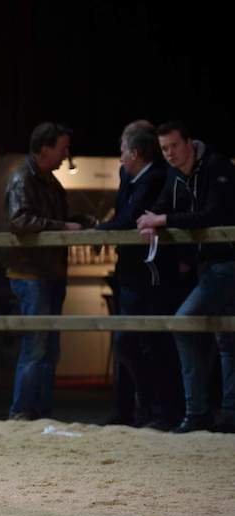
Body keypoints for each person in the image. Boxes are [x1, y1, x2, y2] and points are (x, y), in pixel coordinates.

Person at [137, 121, 235, 433]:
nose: (170, 153)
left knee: (183, 323)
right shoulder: (175, 174)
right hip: (208, 265)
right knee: (227, 338)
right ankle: (226, 413)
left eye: (174, 146)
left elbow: (214, 214)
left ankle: (197, 411)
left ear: (189, 142)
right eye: (164, 149)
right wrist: (150, 219)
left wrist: (162, 219)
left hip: (227, 262)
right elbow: (161, 205)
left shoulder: (218, 167)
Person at [97, 123, 186, 430]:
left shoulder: (157, 177)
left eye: (123, 150)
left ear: (135, 153)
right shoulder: (130, 176)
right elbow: (123, 215)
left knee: (149, 341)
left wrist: (96, 231)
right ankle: (132, 410)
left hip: (151, 275)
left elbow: (128, 219)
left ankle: (159, 411)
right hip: (129, 272)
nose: (120, 156)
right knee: (129, 341)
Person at [4, 122, 89, 421]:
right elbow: (19, 220)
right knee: (37, 345)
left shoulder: (47, 181)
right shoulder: (23, 178)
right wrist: (65, 226)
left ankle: (38, 410)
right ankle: (23, 411)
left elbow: (44, 218)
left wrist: (81, 221)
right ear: (45, 149)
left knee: (48, 347)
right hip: (31, 273)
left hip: (48, 271)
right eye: (62, 148)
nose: (66, 155)